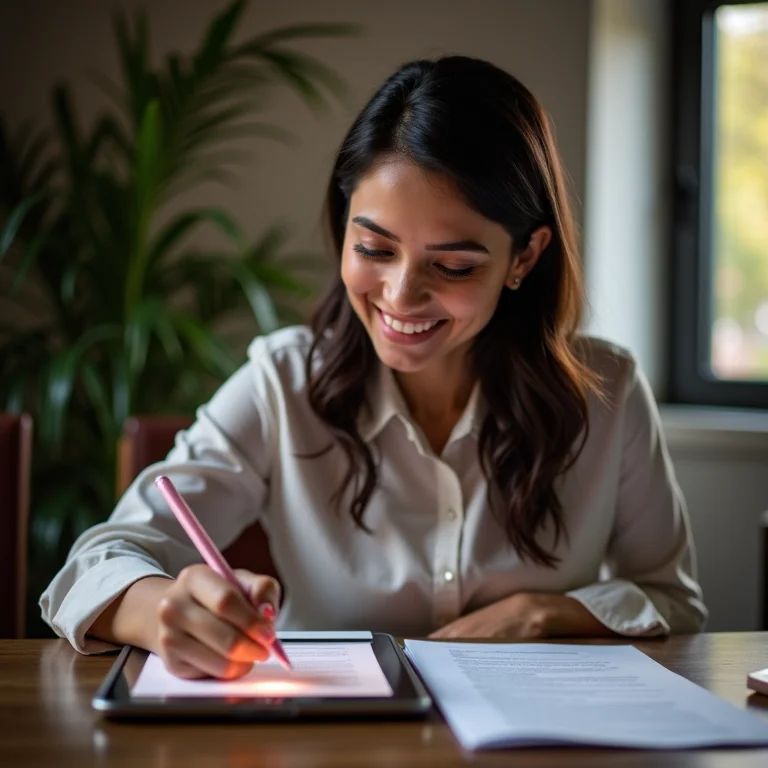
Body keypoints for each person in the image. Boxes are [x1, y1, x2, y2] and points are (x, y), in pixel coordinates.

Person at [41, 55, 707, 680]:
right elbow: (93, 564)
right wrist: (165, 611)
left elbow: (670, 597)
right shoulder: (282, 382)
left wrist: (544, 612)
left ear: (525, 258)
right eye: (373, 248)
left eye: (452, 265)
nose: (400, 295)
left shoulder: (606, 392)